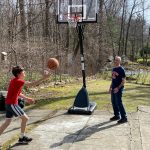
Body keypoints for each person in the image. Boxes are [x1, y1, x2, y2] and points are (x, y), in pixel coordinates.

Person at [0, 66, 50, 148]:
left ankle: (22, 137)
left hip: (9, 104)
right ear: (18, 74)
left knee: (7, 123)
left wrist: (27, 99)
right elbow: (31, 84)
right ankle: (22, 137)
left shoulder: (15, 81)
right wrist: (44, 78)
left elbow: (18, 93)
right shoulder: (18, 81)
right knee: (25, 118)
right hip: (12, 104)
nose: (24, 73)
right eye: (23, 72)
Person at [109, 56, 127, 124]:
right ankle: (117, 115)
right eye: (115, 60)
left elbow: (123, 81)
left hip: (118, 89)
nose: (116, 61)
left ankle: (124, 117)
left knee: (119, 102)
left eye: (117, 60)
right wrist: (110, 87)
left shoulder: (121, 69)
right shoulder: (113, 69)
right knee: (113, 102)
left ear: (120, 61)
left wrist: (118, 88)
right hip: (113, 88)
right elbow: (113, 79)